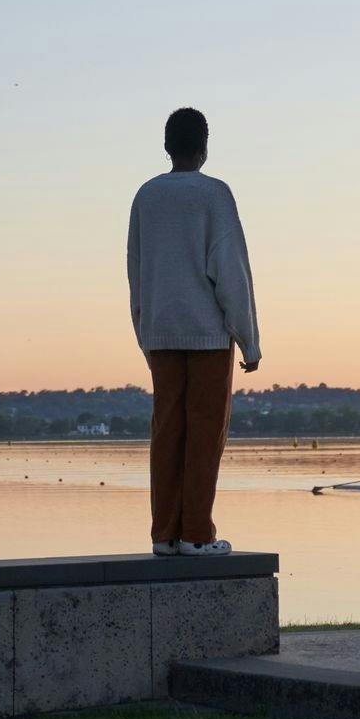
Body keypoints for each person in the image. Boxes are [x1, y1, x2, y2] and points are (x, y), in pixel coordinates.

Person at [127, 107, 260, 556]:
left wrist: (144, 331)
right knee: (205, 433)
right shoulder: (214, 194)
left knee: (166, 431)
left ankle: (164, 534)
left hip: (161, 331)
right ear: (204, 147)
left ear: (167, 146)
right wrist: (249, 339)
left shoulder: (146, 196)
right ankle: (197, 534)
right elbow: (231, 272)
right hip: (207, 335)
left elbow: (136, 270)